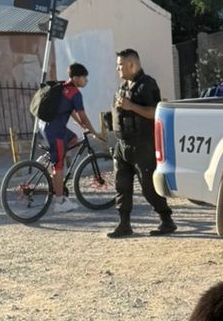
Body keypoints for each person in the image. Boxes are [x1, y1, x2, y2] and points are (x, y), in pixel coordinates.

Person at [110, 48, 176, 238]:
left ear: (133, 64)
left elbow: (156, 111)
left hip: (142, 145)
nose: (118, 69)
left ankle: (166, 220)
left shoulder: (147, 85)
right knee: (122, 185)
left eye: (121, 65)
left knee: (148, 187)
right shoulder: (123, 86)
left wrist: (131, 107)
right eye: (117, 65)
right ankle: (124, 224)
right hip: (123, 145)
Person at [43, 62, 103, 213]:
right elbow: (83, 116)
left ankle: (50, 157)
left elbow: (69, 110)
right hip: (55, 131)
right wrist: (94, 132)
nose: (86, 80)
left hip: (47, 127)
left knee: (73, 138)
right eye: (84, 77)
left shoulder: (64, 87)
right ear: (76, 78)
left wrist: (79, 124)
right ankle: (59, 202)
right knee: (59, 167)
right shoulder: (75, 93)